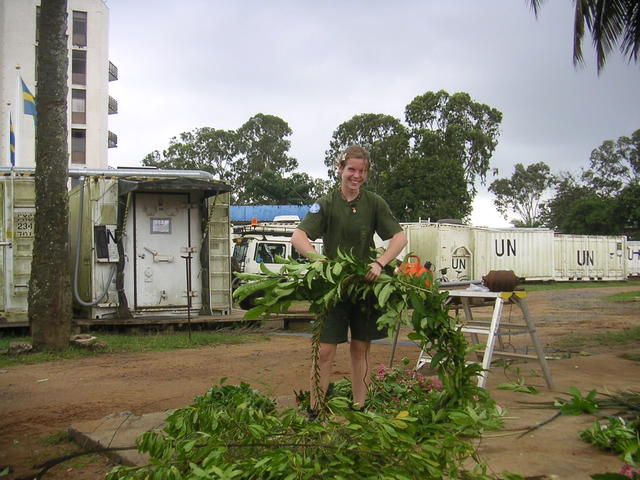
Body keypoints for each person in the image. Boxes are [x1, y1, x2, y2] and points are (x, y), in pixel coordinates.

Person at [291, 145, 407, 417]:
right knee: (325, 351)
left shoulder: (374, 203)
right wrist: (319, 261)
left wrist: (380, 263)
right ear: (340, 169)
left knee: (360, 348)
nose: (356, 176)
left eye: (361, 171)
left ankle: (360, 408)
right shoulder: (327, 203)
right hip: (334, 289)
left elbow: (399, 237)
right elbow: (298, 236)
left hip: (365, 285)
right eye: (351, 169)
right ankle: (315, 411)